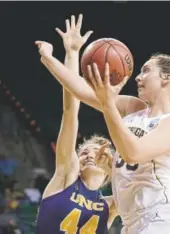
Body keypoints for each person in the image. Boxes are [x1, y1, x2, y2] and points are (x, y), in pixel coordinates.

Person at [35, 17, 170, 234]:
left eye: (146, 70)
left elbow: (133, 152)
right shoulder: (133, 107)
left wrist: (108, 105)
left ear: (166, 78)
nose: (137, 77)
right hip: (132, 222)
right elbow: (80, 91)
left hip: (161, 217)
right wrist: (50, 58)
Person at [35, 15, 117, 234]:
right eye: (83, 152)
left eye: (98, 154)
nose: (89, 155)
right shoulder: (67, 175)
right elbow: (70, 111)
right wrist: (72, 53)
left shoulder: (111, 205)